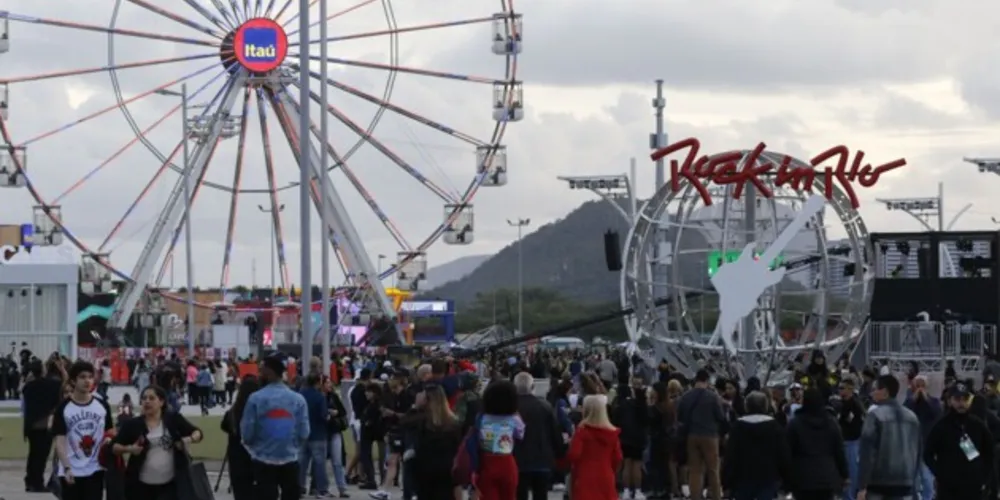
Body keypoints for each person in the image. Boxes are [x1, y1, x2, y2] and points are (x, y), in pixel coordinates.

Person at [112, 385, 204, 500]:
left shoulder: (173, 419)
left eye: (151, 398)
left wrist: (188, 440)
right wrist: (130, 449)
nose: (147, 401)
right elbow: (114, 447)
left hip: (170, 485)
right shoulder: (133, 425)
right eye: (144, 398)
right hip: (140, 486)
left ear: (161, 402)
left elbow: (198, 433)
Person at [240, 354, 310, 500]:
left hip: (263, 459)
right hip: (290, 458)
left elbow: (247, 434)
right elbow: (304, 432)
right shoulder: (298, 399)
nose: (259, 375)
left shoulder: (255, 399)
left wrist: (255, 447)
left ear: (269, 373)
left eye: (262, 371)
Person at [52, 361, 115, 500]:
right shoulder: (63, 408)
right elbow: (60, 442)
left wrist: (109, 440)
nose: (87, 381)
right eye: (82, 377)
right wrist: (67, 468)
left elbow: (110, 431)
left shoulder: (102, 405)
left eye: (90, 377)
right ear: (73, 381)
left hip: (95, 469)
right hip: (71, 471)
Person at [924, 381, 995, 500]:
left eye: (965, 399)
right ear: (950, 400)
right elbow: (928, 454)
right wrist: (940, 474)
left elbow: (989, 452)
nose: (961, 403)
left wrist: (983, 477)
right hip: (948, 490)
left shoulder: (977, 425)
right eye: (957, 399)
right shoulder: (941, 426)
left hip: (973, 488)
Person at [722, 391, 789, 500]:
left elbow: (730, 455)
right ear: (765, 406)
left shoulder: (738, 427)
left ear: (747, 406)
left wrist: (727, 481)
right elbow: (783, 454)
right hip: (768, 477)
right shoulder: (775, 427)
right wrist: (786, 479)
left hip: (742, 477)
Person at [786, 387, 848, 500]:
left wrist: (786, 478)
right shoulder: (831, 423)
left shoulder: (795, 424)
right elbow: (839, 450)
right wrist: (845, 474)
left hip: (802, 477)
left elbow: (788, 452)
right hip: (827, 477)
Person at [511, 372, 564, 500]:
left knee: (519, 494)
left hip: (517, 460)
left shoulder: (510, 407)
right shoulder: (545, 406)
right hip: (542, 458)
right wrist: (560, 453)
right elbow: (555, 433)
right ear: (532, 386)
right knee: (541, 494)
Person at [677, 369, 726, 500]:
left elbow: (680, 417)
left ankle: (695, 497)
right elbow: (720, 417)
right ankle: (716, 496)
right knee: (713, 470)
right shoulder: (713, 396)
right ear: (707, 380)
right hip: (710, 436)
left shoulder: (685, 396)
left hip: (692, 436)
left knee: (695, 470)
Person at [473, 379, 524, 500]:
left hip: (486, 462)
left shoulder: (481, 418)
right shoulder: (514, 419)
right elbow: (521, 434)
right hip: (507, 461)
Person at [412, 384, 464, 500]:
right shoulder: (453, 423)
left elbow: (418, 447)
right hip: (447, 471)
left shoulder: (422, 422)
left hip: (426, 471)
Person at [566, 395, 622, 500]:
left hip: (584, 475)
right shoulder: (612, 433)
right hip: (606, 474)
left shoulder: (582, 432)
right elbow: (617, 457)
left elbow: (574, 454)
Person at [22, 359, 62, 492]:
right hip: (44, 425)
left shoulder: (28, 387)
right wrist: (61, 368)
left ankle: (30, 481)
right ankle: (37, 483)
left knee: (33, 455)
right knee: (41, 457)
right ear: (43, 370)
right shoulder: (51, 385)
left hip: (31, 426)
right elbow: (63, 384)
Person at [903, 374, 942, 500]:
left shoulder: (934, 401)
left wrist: (925, 398)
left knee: (927, 477)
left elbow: (936, 412)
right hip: (912, 445)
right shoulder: (909, 401)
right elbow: (904, 412)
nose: (920, 388)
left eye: (922, 385)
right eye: (917, 385)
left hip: (927, 445)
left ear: (927, 387)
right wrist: (914, 399)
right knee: (912, 478)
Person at [222, 375, 260, 500]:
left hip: (237, 459)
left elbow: (224, 426)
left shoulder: (232, 412)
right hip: (256, 458)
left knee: (240, 493)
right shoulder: (259, 411)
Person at [298, 373, 330, 497]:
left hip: (303, 433)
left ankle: (300, 486)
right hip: (318, 433)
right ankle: (321, 488)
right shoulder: (320, 397)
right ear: (318, 382)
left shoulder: (301, 395)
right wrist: (328, 416)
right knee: (319, 463)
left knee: (302, 462)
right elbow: (323, 415)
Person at [837, 378, 865, 500]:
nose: (840, 391)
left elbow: (853, 424)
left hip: (852, 442)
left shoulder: (854, 404)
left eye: (842, 388)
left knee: (851, 473)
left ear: (850, 389)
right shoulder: (842, 404)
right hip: (845, 442)